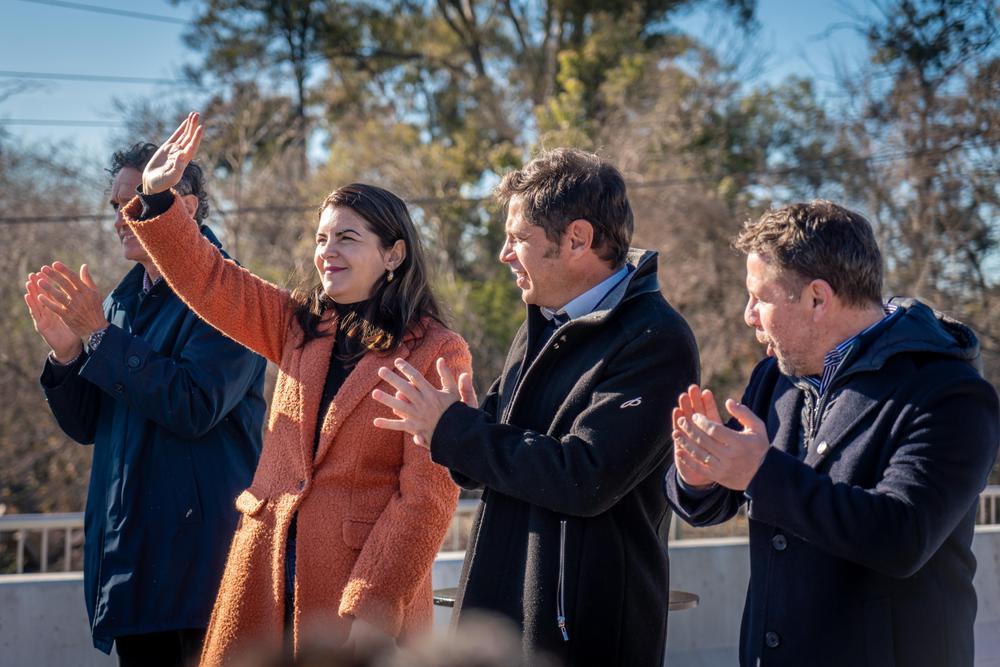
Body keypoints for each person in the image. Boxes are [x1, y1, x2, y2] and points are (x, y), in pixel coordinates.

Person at [120, 113, 472, 666]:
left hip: (355, 597)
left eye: (348, 238)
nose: (328, 250)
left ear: (394, 254)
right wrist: (159, 199)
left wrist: (374, 608)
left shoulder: (436, 351)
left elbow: (426, 498)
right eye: (322, 238)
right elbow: (210, 279)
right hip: (261, 579)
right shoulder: (297, 324)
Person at [372, 148, 699, 666]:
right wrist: (458, 431)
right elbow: (497, 466)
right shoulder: (542, 324)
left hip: (581, 636)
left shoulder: (656, 341)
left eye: (519, 238)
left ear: (578, 239)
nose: (504, 254)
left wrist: (457, 431)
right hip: (505, 619)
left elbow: (584, 478)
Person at [665, 200, 1000, 667]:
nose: (748, 316)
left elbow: (903, 536)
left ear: (818, 298)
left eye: (760, 297)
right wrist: (698, 476)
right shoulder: (774, 378)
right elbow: (724, 500)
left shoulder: (950, 393)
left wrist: (761, 473)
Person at [24, 142, 267, 666]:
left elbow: (195, 405)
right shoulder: (117, 301)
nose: (121, 218)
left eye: (136, 201)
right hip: (129, 572)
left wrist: (99, 337)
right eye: (115, 206)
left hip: (203, 578)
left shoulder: (232, 292)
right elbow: (90, 426)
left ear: (189, 207)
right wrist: (68, 356)